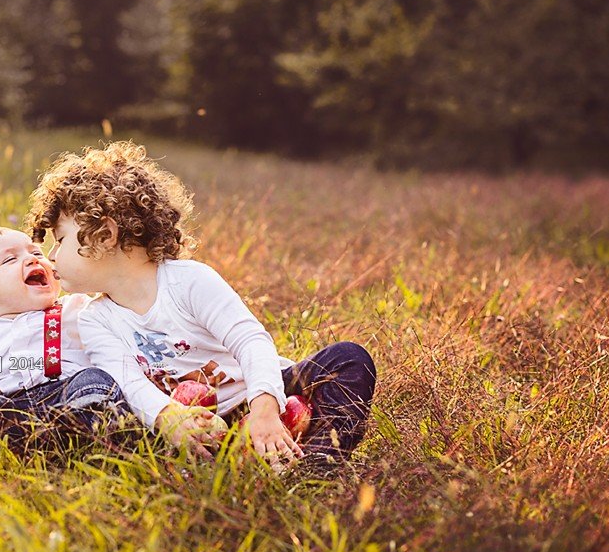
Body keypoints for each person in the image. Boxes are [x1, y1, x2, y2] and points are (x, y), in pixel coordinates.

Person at [27, 140, 377, 472]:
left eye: (60, 240)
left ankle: (317, 463)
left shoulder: (188, 281)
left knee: (348, 358)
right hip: (194, 424)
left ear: (105, 235)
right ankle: (228, 463)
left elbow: (250, 341)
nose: (51, 256)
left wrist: (265, 408)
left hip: (259, 396)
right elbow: (130, 384)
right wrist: (169, 419)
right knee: (131, 424)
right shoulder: (95, 320)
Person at [0, 225, 125, 456]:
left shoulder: (76, 308)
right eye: (10, 259)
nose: (32, 259)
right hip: (10, 408)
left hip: (67, 395)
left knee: (94, 379)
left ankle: (83, 424)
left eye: (36, 252)